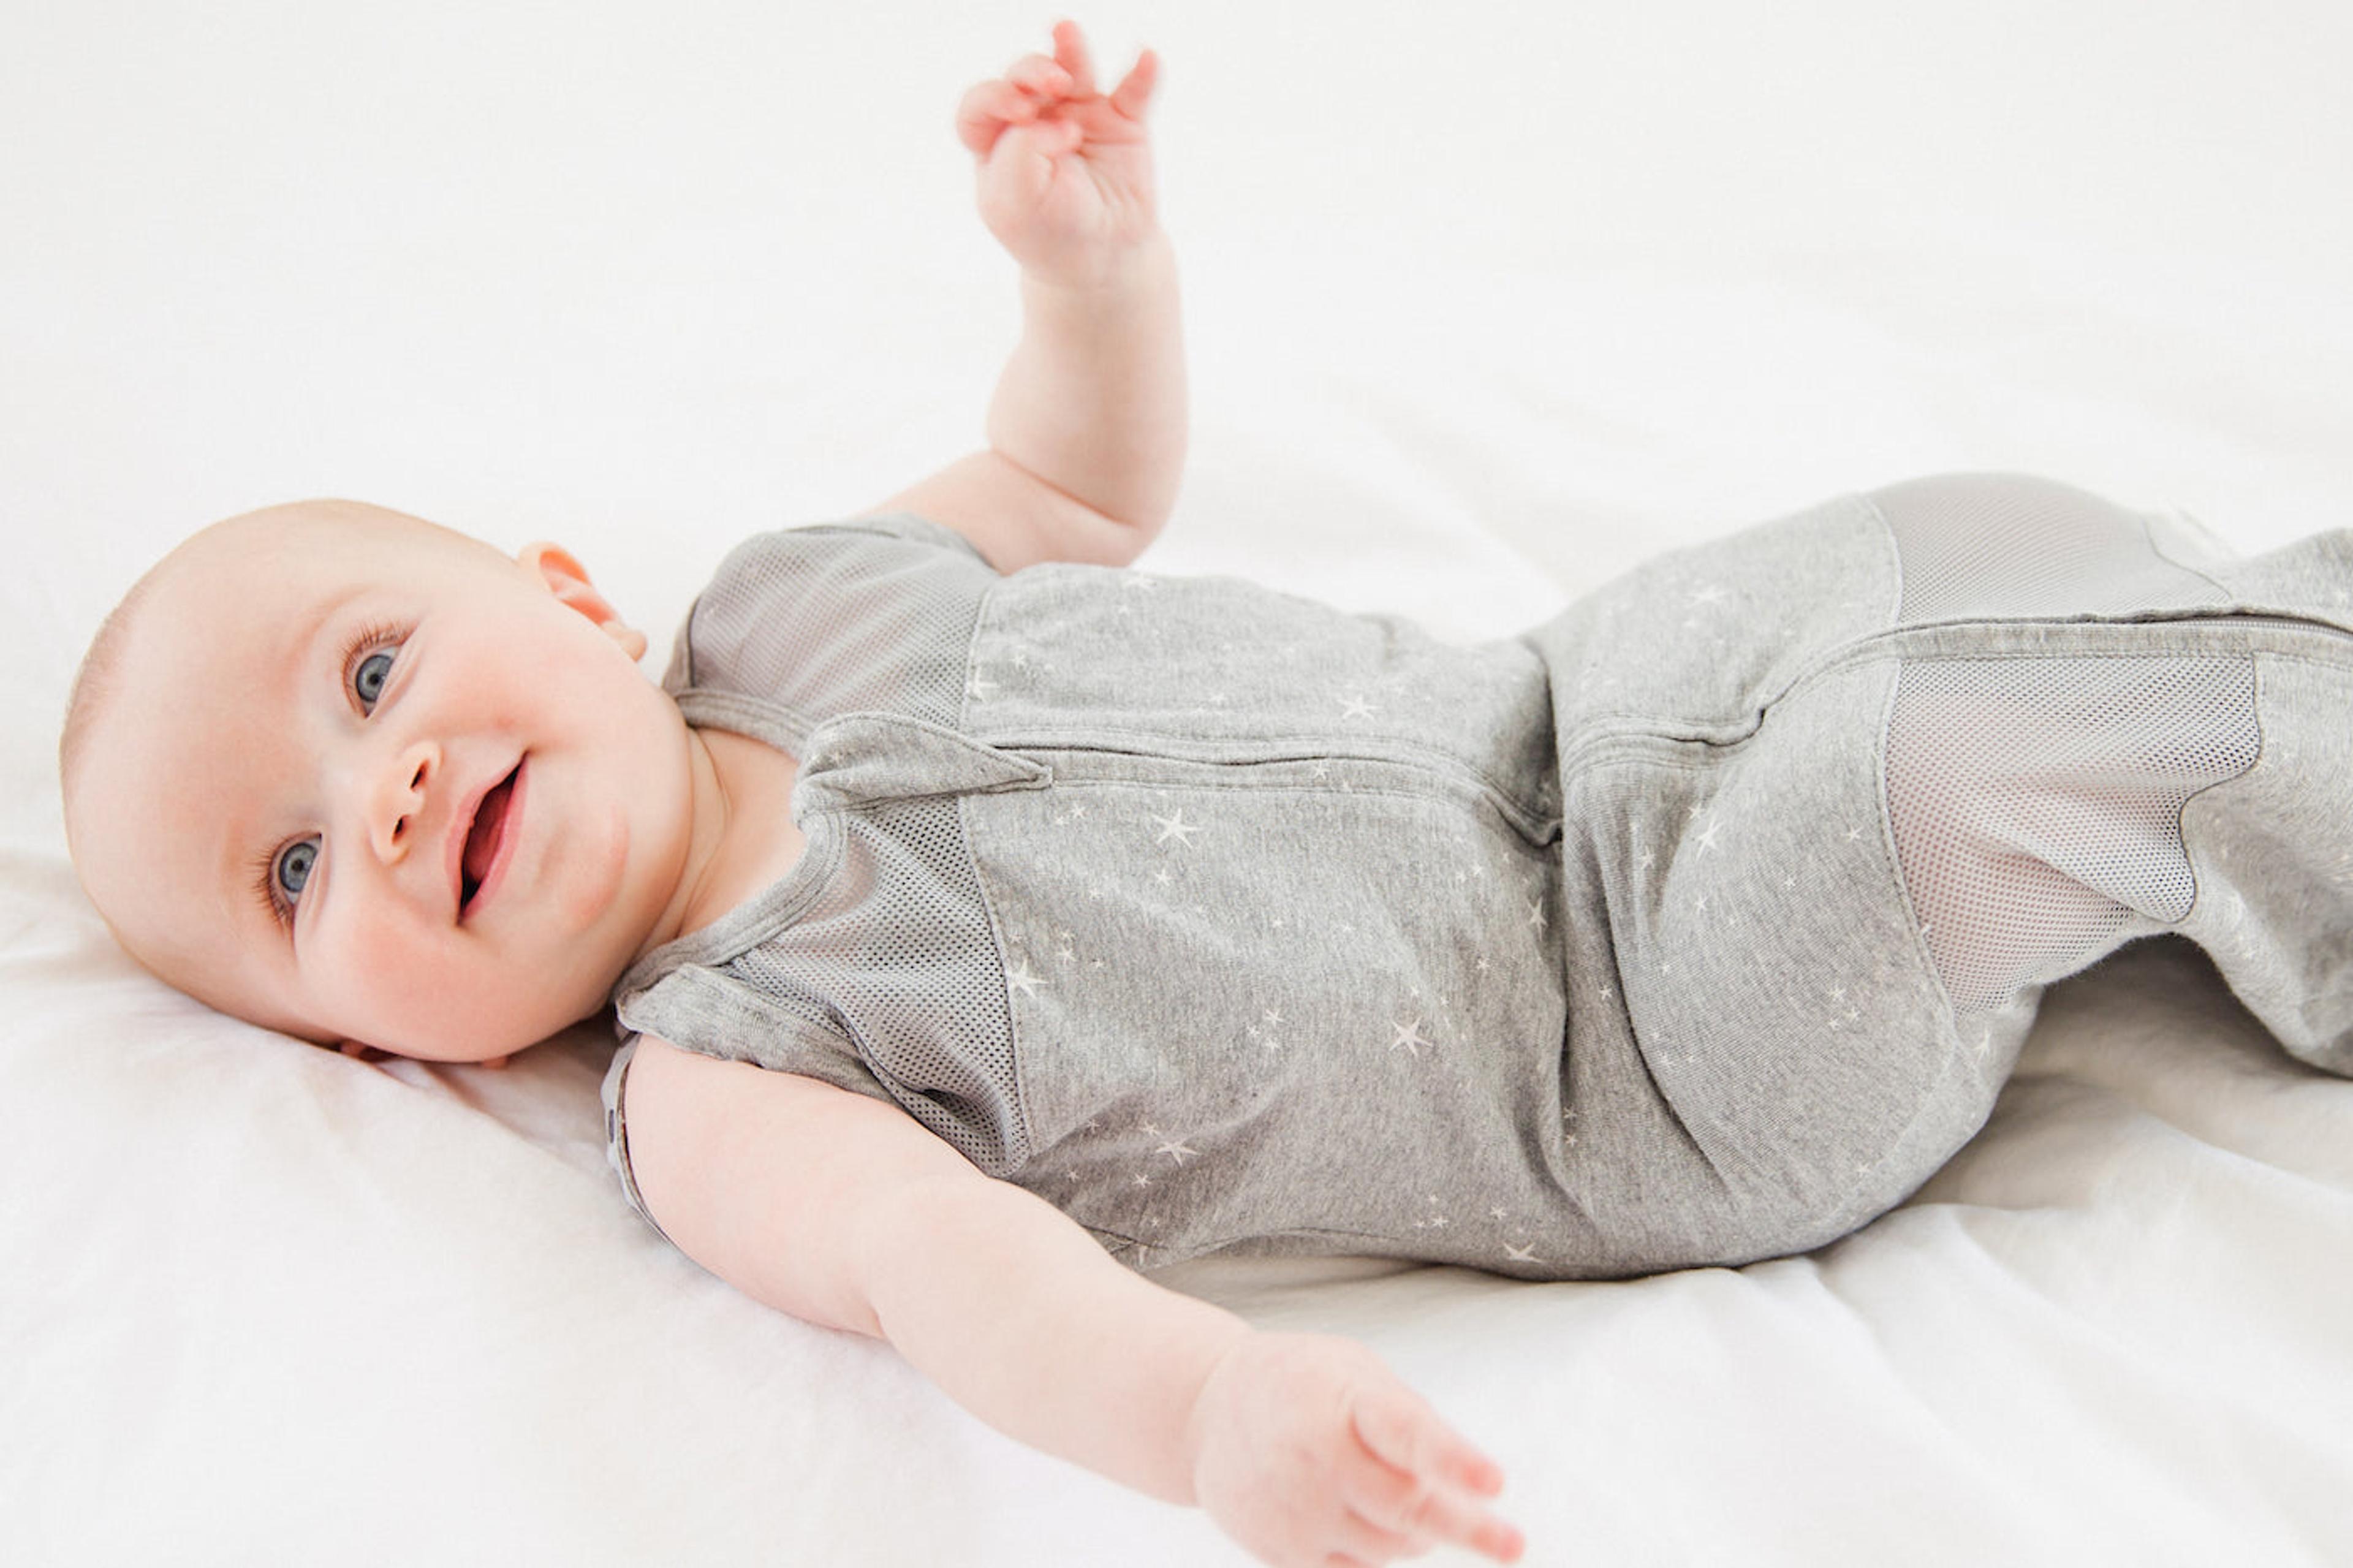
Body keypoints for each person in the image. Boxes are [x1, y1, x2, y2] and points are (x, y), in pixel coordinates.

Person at [54, 20, 2353, 1568]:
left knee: (1970, 536)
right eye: (286, 868)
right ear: (360, 1040)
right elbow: (948, 1275)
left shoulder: (801, 604)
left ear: (563, 589)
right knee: (1970, 749)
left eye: (369, 670)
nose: (388, 786)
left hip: (1591, 697)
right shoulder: (728, 1077)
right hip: (1653, 1056)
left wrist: (1093, 271)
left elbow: (1076, 475)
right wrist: (1204, 1425)